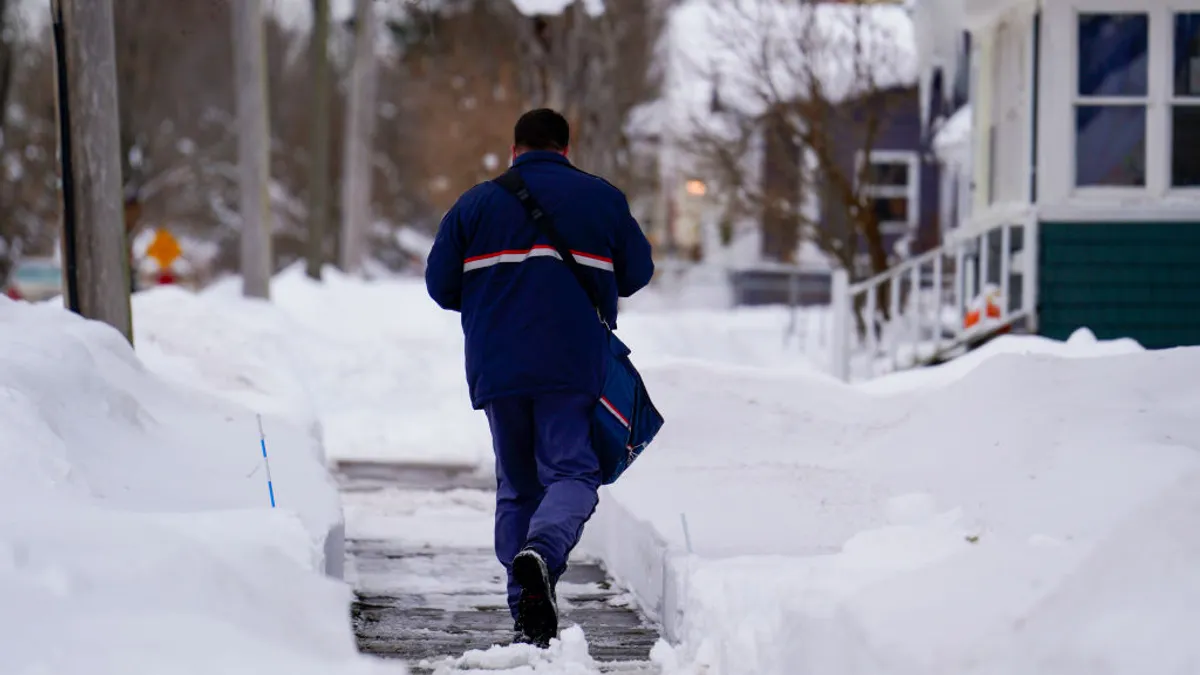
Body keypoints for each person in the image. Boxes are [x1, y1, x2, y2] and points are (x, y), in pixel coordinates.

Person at [425, 109, 654, 647]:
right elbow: (638, 274)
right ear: (565, 149)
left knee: (517, 485)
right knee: (573, 473)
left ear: (514, 150)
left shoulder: (475, 204)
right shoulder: (602, 198)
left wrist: (494, 296)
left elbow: (440, 286)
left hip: (497, 364)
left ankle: (525, 607)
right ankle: (544, 555)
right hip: (572, 364)